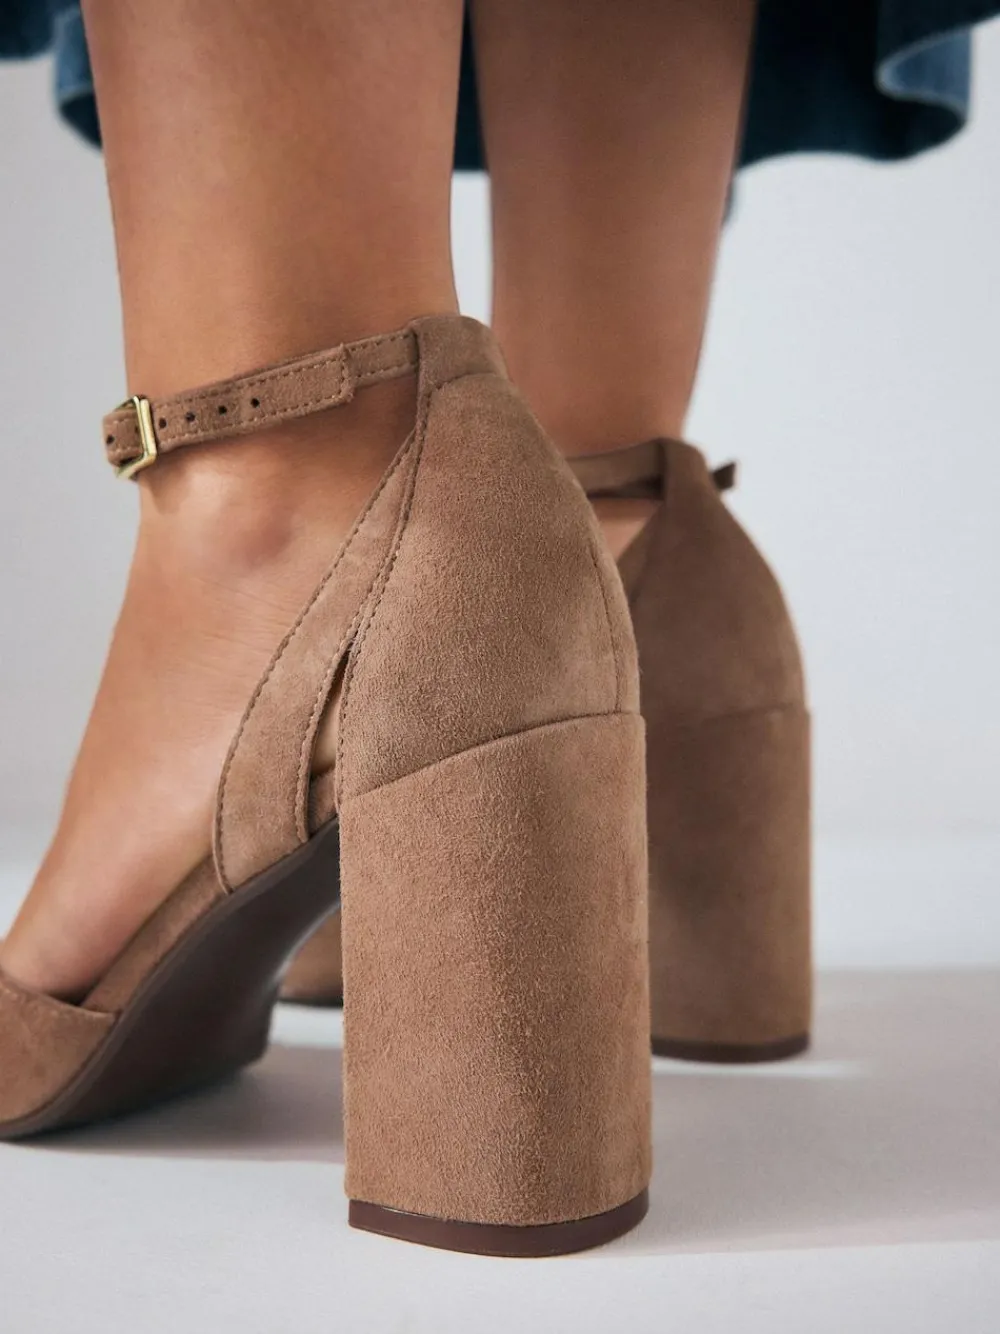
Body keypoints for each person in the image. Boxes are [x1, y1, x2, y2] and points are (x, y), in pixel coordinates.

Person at [0, 0, 992, 1254]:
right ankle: (607, 501)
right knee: (586, 453)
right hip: (500, 558)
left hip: (363, 573)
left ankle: (279, 528)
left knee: (319, 486)